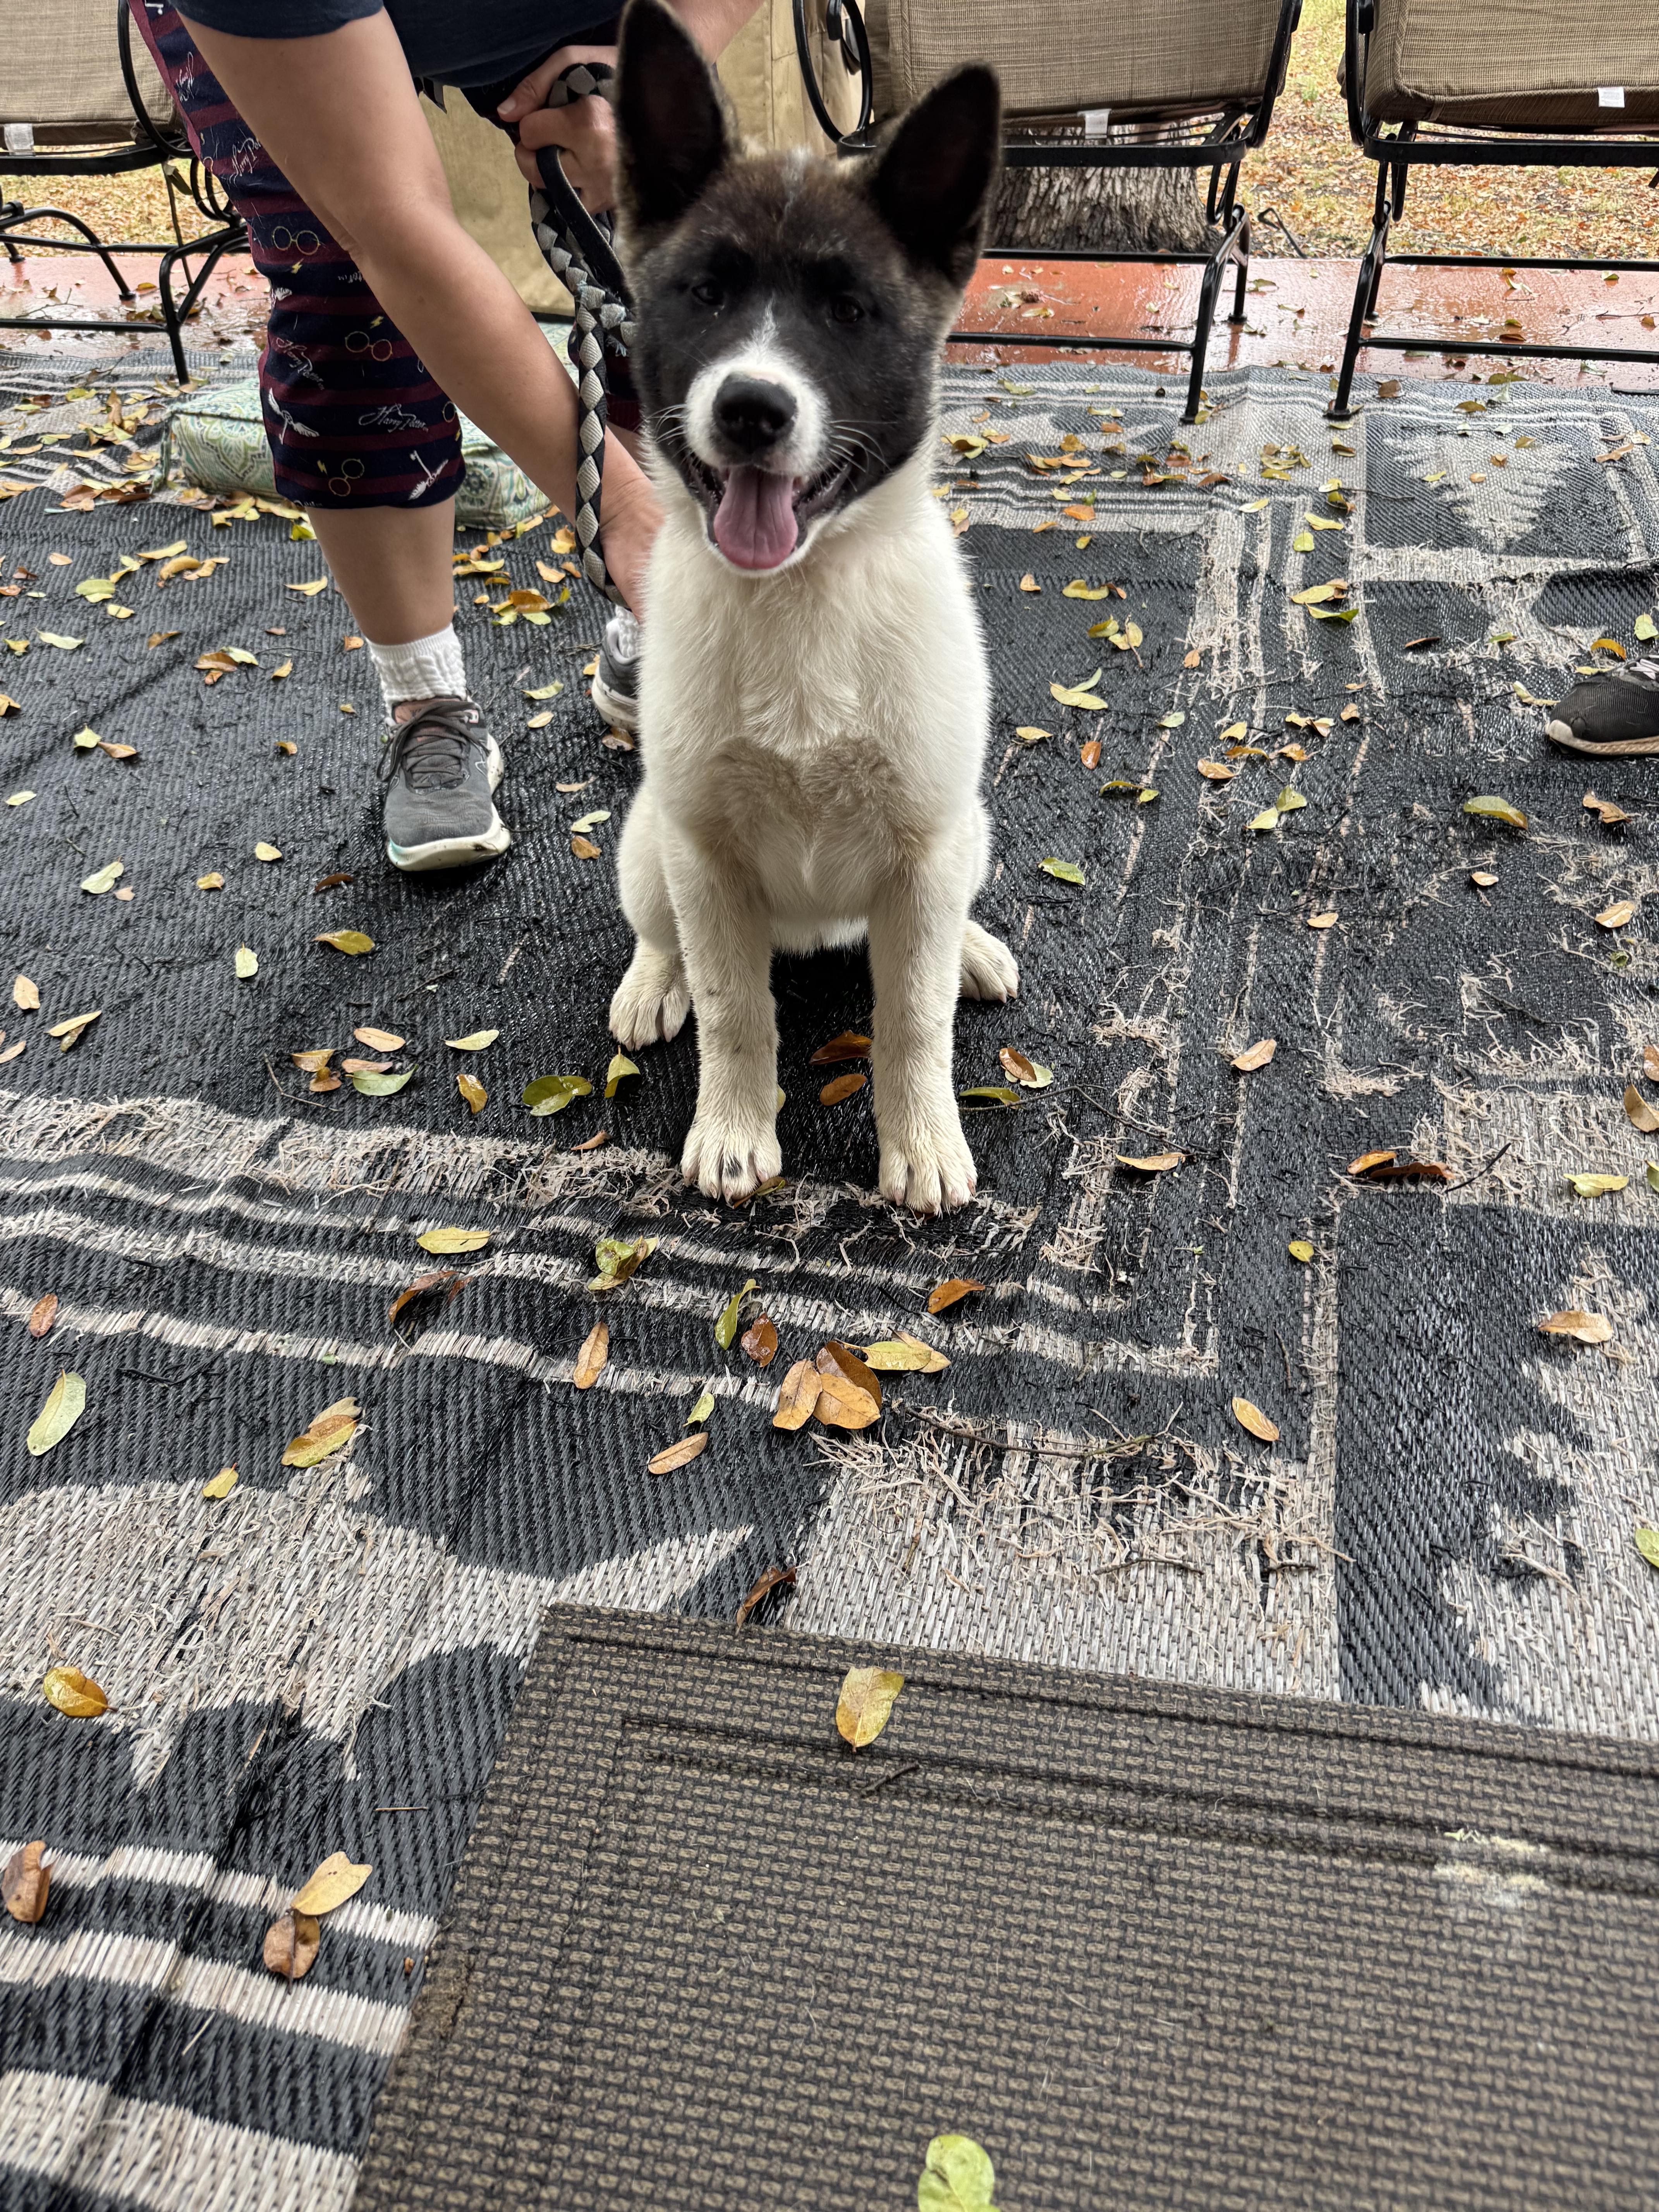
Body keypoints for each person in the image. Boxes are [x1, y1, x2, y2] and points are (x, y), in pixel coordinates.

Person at [131, 0, 763, 869]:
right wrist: (622, 512)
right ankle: (426, 704)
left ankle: (656, 634)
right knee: (340, 273)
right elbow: (386, 222)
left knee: (648, 191)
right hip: (276, 31)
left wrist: (669, 44)